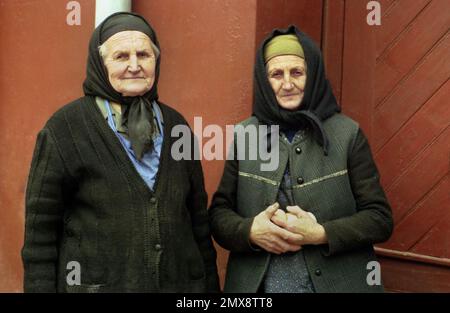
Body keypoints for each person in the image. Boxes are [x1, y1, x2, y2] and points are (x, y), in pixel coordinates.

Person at [22, 12, 219, 293]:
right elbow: (39, 236)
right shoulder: (64, 128)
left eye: (143, 54)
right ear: (100, 65)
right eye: (121, 57)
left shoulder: (177, 126)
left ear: (157, 60)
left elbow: (199, 224)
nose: (135, 65)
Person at [209, 25, 393, 293]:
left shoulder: (347, 134)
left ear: (313, 74)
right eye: (276, 74)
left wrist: (320, 234)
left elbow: (379, 219)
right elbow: (218, 214)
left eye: (297, 72)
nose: (287, 84)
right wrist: (249, 231)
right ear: (264, 79)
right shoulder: (245, 134)